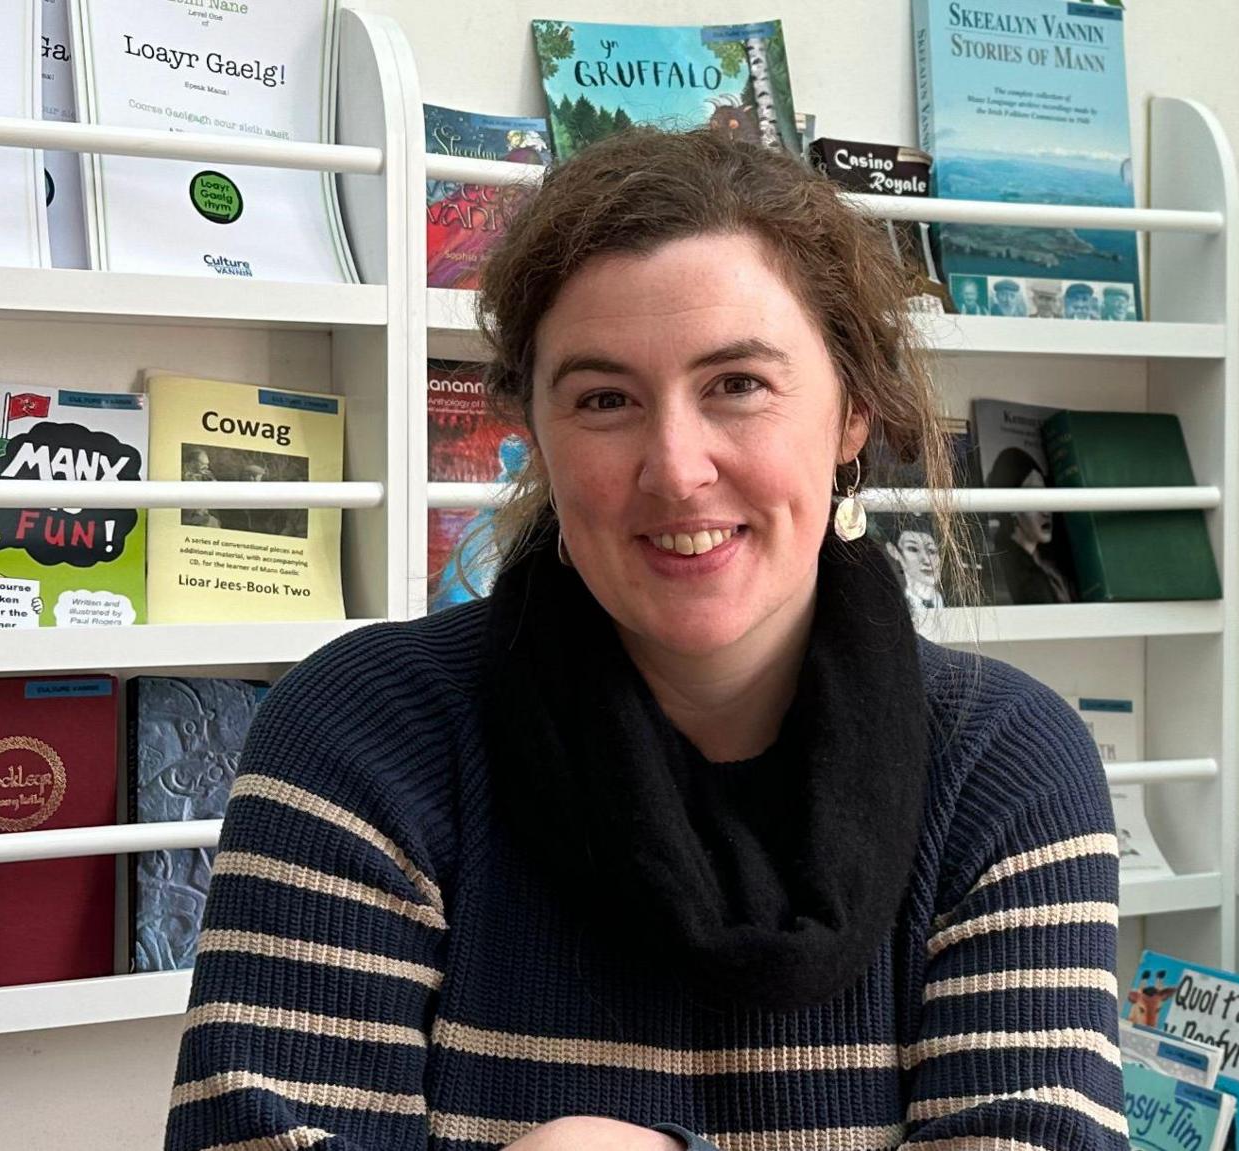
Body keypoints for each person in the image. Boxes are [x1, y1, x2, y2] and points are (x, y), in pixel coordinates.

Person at [165, 129, 1122, 1151]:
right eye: (604, 399)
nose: (674, 468)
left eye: (738, 384)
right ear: (533, 432)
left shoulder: (1005, 770)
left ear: (852, 412)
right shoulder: (363, 736)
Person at [984, 447, 1075, 605]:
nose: (1046, 511)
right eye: (1034, 499)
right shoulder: (1002, 569)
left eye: (1046, 498)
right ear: (1011, 508)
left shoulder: (1051, 566)